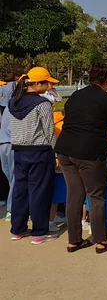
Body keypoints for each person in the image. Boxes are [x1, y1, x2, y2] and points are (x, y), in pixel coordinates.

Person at [55, 63, 107, 254]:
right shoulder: (106, 99)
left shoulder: (76, 96)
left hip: (65, 149)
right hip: (89, 151)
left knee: (74, 195)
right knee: (95, 196)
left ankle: (74, 240)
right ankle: (101, 240)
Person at [8, 67, 58, 244]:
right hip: (39, 150)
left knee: (20, 190)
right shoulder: (42, 104)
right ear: (37, 83)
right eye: (46, 82)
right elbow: (49, 131)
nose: (48, 86)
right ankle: (39, 231)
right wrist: (56, 153)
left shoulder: (14, 102)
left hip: (19, 150)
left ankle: (18, 228)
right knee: (39, 191)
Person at [0, 97, 14, 222]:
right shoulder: (19, 104)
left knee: (10, 177)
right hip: (12, 143)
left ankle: (11, 207)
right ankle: (12, 208)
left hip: (3, 142)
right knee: (15, 178)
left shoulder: (9, 104)